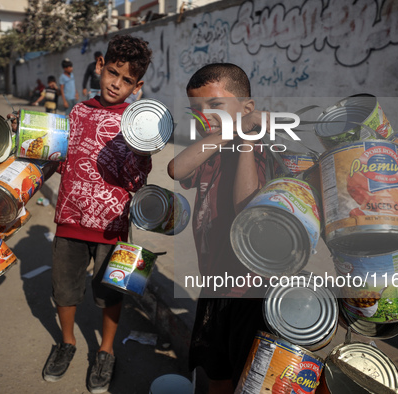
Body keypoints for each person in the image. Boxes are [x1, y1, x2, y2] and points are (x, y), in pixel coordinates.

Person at [41, 35, 152, 393]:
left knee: (111, 294)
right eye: (113, 73)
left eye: (127, 81)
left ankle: (105, 351)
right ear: (101, 65)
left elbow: (136, 181)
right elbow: (60, 162)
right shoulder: (77, 112)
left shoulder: (138, 123)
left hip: (112, 226)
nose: (116, 84)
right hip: (70, 221)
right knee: (64, 290)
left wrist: (140, 150)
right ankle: (68, 342)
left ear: (138, 86)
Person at [167, 63, 275, 393]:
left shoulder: (260, 152)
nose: (205, 115)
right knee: (217, 371)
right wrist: (227, 132)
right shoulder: (209, 153)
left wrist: (245, 138)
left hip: (250, 294)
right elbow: (174, 168)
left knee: (248, 377)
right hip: (214, 287)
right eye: (196, 109)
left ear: (247, 108)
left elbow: (246, 207)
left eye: (215, 106)